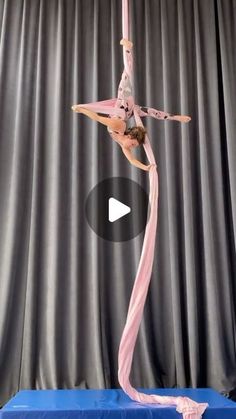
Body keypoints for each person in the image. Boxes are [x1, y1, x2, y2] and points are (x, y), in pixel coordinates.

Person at [72, 39, 191, 171]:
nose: (133, 147)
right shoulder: (120, 126)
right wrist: (81, 109)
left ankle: (176, 118)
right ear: (129, 136)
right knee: (126, 76)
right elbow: (98, 117)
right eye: (134, 144)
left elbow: (132, 160)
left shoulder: (123, 145)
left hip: (126, 110)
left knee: (152, 112)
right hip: (124, 104)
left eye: (134, 146)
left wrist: (146, 167)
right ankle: (128, 49)